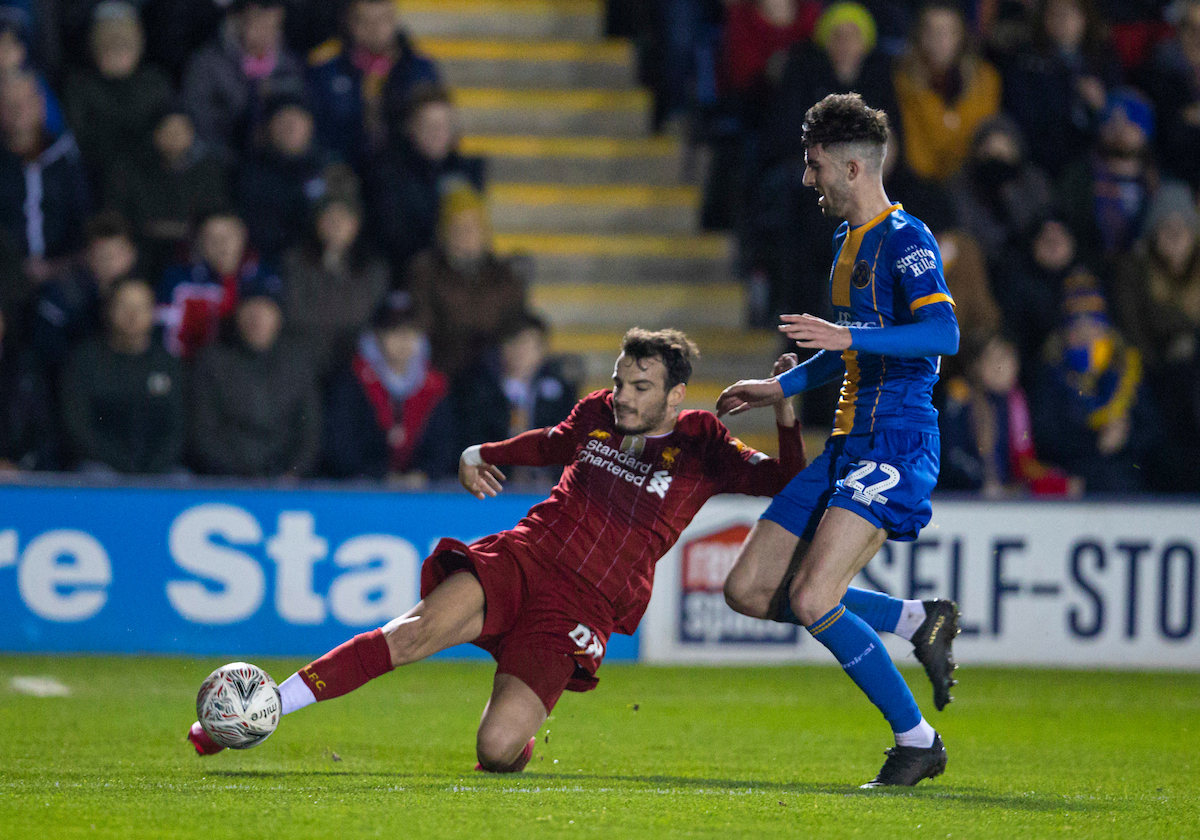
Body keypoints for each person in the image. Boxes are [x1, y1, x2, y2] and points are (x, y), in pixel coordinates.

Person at [187, 328, 806, 770]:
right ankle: (267, 704)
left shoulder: (704, 443)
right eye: (620, 381)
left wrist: (785, 412)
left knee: (496, 750)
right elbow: (550, 443)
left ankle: (522, 732)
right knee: (411, 634)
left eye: (641, 387)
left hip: (583, 606)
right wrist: (481, 452)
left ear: (675, 397)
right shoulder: (597, 415)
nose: (623, 396)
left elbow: (785, 482)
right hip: (526, 557)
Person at [715, 93, 960, 787]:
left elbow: (945, 335)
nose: (806, 179)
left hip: (895, 441)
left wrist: (850, 337)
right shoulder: (844, 243)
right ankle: (916, 619)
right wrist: (782, 390)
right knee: (749, 588)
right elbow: (846, 348)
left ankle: (917, 740)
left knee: (814, 595)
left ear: (853, 168)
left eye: (814, 165)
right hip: (848, 443)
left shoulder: (907, 239)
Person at [187, 272, 321, 478]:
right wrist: (242, 477)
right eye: (250, 308)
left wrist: (293, 473)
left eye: (266, 310)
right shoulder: (213, 360)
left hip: (287, 484)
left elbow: (309, 431)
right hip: (227, 482)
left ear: (279, 317)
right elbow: (203, 432)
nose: (257, 318)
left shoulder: (298, 362)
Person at [321, 292, 457, 482]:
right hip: (364, 491)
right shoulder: (353, 381)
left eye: (412, 332)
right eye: (394, 331)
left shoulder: (434, 385)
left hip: (421, 492)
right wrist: (380, 475)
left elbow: (444, 446)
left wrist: (423, 474)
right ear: (377, 336)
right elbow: (341, 446)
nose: (404, 340)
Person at [59, 275, 184, 474]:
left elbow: (178, 427)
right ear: (108, 310)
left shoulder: (168, 364)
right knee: (94, 475)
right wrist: (121, 464)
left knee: (181, 480)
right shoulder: (85, 360)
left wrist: (153, 467)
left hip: (159, 470)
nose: (132, 315)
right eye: (124, 306)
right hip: (102, 466)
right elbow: (78, 426)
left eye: (141, 307)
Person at [280, 166, 389, 381]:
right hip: (306, 370)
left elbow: (373, 322)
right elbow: (295, 317)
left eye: (344, 217)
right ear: (317, 222)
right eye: (329, 216)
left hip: (356, 374)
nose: (336, 224)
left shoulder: (373, 268)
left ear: (356, 223)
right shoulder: (294, 263)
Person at [370, 83, 485, 280]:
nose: (437, 132)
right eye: (428, 125)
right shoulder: (388, 172)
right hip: (403, 277)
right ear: (411, 127)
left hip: (455, 280)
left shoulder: (467, 170)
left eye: (444, 124)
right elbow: (392, 235)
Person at [306, 0, 438, 171]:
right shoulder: (325, 69)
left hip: (406, 175)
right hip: (340, 171)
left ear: (394, 21)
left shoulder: (419, 69)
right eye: (365, 21)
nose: (375, 29)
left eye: (383, 20)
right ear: (350, 22)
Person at [105, 103, 230, 283]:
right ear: (155, 133)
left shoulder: (208, 172)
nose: (175, 135)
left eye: (181, 129)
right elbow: (119, 216)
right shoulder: (130, 170)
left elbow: (215, 217)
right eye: (168, 128)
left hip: (193, 254)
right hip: (141, 253)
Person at [62, 1, 173, 195]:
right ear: (94, 45)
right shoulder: (78, 86)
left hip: (151, 185)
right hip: (95, 183)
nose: (117, 50)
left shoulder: (155, 82)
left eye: (125, 43)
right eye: (109, 43)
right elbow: (80, 142)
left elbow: (166, 135)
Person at [180, 0, 306, 162]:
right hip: (221, 161)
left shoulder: (290, 65)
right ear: (239, 19)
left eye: (274, 24)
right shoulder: (207, 63)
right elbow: (198, 122)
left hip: (274, 163)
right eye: (260, 21)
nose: (267, 32)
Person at [892, 2, 1001, 182]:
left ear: (961, 36)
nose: (940, 40)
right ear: (919, 36)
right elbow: (916, 156)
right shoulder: (904, 83)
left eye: (949, 32)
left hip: (975, 184)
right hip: (924, 185)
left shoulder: (985, 79)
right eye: (931, 31)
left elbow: (986, 133)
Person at [0, 70, 90, 288]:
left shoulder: (67, 157)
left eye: (26, 101)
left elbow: (84, 222)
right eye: (10, 104)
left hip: (65, 274)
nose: (19, 110)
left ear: (40, 104)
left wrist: (58, 267)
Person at [157, 209, 279, 360]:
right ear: (200, 243)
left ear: (243, 236)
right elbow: (164, 336)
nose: (223, 245)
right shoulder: (178, 281)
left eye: (229, 236)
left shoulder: (264, 278)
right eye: (212, 238)